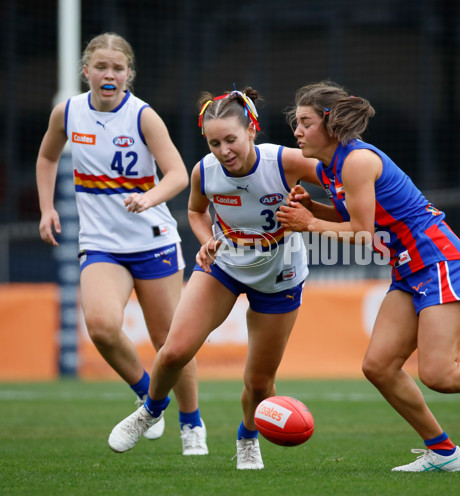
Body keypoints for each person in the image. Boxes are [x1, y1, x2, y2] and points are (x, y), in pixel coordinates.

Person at [276, 81, 460, 472]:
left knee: (439, 373)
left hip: (441, 262)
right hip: (408, 268)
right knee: (378, 366)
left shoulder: (357, 162)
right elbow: (361, 219)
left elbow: (363, 234)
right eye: (296, 122)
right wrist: (313, 209)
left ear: (330, 125)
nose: (296, 131)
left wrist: (308, 222)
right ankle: (444, 452)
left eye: (305, 122)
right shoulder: (334, 167)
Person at [108, 87, 321, 470]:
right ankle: (150, 412)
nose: (223, 150)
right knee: (174, 351)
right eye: (214, 142)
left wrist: (314, 213)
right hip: (223, 266)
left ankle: (247, 437)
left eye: (231, 139)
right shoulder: (204, 170)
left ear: (252, 130)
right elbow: (195, 211)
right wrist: (207, 242)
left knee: (259, 384)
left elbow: (342, 183)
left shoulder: (285, 161)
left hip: (280, 275)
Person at [36, 32, 207, 456]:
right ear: (86, 71)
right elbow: (46, 158)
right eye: (101, 66)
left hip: (152, 240)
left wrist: (149, 198)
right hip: (100, 244)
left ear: (129, 74)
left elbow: (178, 175)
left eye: (117, 68)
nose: (109, 74)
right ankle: (151, 402)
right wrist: (46, 208)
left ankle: (193, 425)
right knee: (101, 326)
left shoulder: (143, 117)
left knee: (172, 342)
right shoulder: (68, 112)